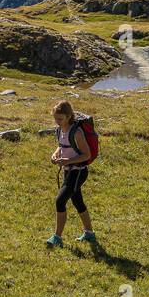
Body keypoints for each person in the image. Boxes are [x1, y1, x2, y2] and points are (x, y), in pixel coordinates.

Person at [46, 100, 95, 246]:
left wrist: (67, 161)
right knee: (77, 201)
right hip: (68, 171)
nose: (57, 122)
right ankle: (89, 233)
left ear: (69, 117)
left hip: (78, 172)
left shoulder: (77, 132)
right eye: (55, 118)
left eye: (60, 119)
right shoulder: (60, 130)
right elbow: (61, 146)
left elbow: (86, 155)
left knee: (60, 201)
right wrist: (55, 154)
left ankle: (57, 238)